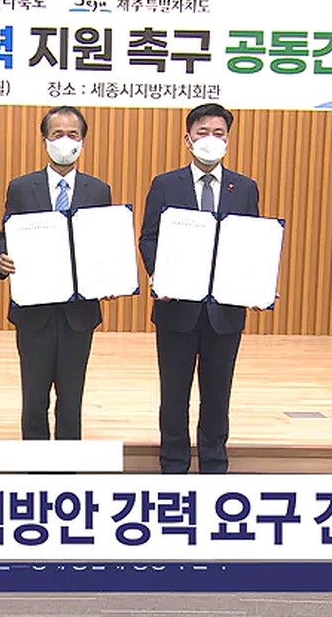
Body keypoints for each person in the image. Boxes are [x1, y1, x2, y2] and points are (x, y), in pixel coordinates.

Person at [138, 103, 260, 474]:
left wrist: (256, 283)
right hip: (176, 308)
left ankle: (214, 465)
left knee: (217, 396)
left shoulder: (245, 188)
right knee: (174, 395)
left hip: (225, 312)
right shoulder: (165, 184)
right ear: (188, 139)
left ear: (228, 140)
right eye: (203, 132)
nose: (211, 139)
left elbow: (253, 242)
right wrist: (159, 274)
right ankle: (173, 464)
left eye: (218, 133)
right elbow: (149, 238)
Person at [0, 106, 112, 440]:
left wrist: (110, 276)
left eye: (73, 134)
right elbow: (5, 235)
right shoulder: (21, 187)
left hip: (78, 313)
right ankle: (36, 465)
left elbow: (105, 242)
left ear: (83, 141)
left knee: (71, 400)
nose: (65, 141)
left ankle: (67, 465)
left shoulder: (98, 190)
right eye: (57, 134)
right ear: (45, 139)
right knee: (34, 399)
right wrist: (1, 257)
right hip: (34, 311)